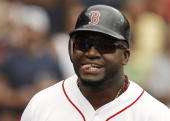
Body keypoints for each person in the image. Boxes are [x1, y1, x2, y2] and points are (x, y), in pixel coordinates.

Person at [21, 5, 170, 121]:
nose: (91, 53)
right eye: (82, 44)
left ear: (125, 56)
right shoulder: (41, 105)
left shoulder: (155, 115)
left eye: (105, 46)